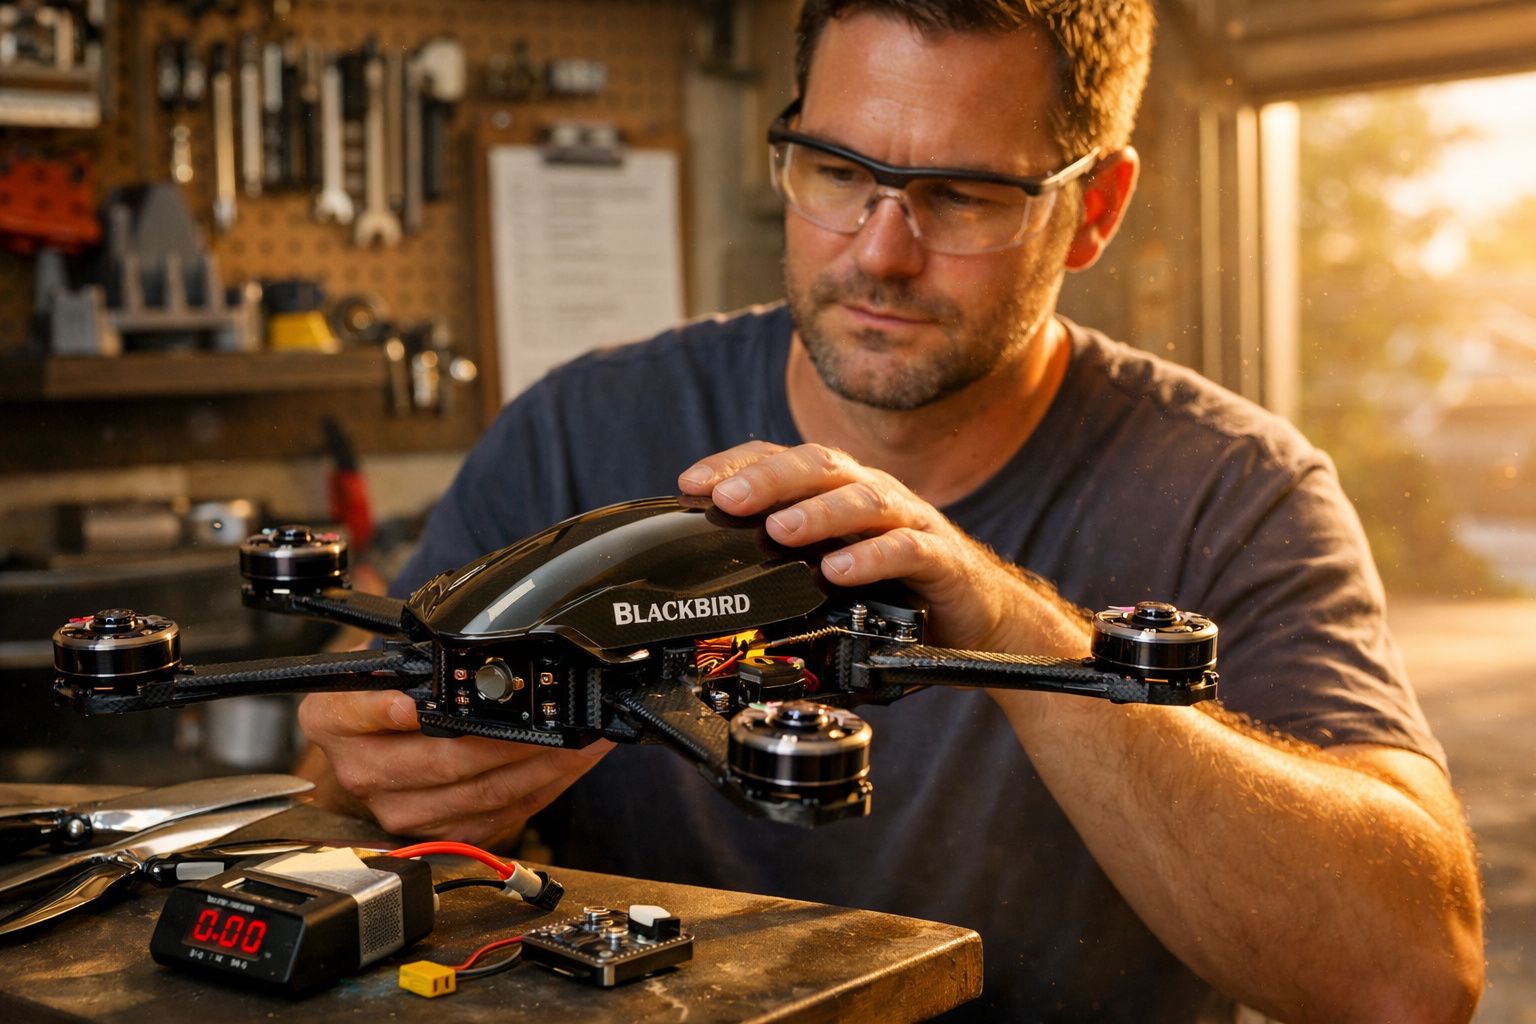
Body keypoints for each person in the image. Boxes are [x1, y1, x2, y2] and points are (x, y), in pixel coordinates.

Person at [297, 2, 1484, 1019]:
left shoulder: (1233, 490)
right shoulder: (579, 428)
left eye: (962, 196)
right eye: (839, 173)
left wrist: (1011, 628)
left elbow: (1410, 980)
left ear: (1100, 206)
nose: (880, 252)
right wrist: (370, 780)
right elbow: (356, 774)